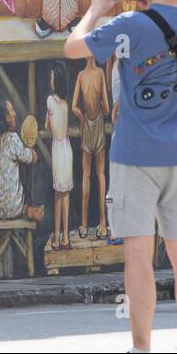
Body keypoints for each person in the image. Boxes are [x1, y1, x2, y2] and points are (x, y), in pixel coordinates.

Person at [65, 0, 177, 352]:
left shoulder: (128, 24)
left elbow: (73, 46)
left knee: (137, 253)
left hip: (134, 156)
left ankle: (142, 346)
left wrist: (95, 10)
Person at [71, 53, 110, 241]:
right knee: (100, 176)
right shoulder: (100, 73)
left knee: (86, 176)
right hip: (99, 125)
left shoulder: (80, 75)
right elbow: (107, 108)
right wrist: (101, 105)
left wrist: (81, 118)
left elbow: (74, 107)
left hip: (87, 124)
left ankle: (85, 225)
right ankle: (102, 223)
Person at [0, 101, 39, 221]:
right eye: (12, 110)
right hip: (12, 207)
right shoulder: (12, 139)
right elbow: (31, 158)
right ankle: (29, 210)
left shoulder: (0, 141)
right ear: (8, 118)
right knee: (29, 168)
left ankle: (28, 209)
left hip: (0, 209)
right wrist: (32, 152)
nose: (15, 114)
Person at [45, 60, 74, 250]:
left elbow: (47, 126)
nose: (50, 79)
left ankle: (56, 238)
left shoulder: (50, 101)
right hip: (67, 148)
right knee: (66, 195)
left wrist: (48, 116)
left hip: (57, 148)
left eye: (52, 76)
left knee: (58, 195)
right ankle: (65, 237)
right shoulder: (65, 104)